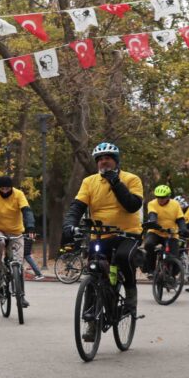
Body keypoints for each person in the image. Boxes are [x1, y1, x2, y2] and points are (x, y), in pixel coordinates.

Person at [62, 142, 144, 342]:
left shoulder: (131, 179)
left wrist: (116, 182)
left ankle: (131, 298)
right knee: (93, 271)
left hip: (128, 234)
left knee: (124, 258)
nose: (103, 162)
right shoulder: (89, 182)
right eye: (99, 159)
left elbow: (132, 205)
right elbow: (77, 207)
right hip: (100, 235)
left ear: (116, 160)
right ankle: (91, 322)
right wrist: (69, 224)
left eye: (107, 158)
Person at [0, 175, 34, 307]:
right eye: (2, 189)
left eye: (7, 188)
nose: (5, 191)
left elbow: (27, 211)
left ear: (11, 187)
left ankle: (21, 296)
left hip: (16, 231)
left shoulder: (19, 194)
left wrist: (30, 227)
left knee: (18, 263)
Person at [143, 185, 187, 276]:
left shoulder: (175, 204)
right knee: (148, 244)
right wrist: (153, 222)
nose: (160, 199)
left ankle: (172, 275)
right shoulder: (152, 203)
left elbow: (180, 219)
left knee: (174, 256)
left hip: (171, 233)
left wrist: (183, 228)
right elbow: (152, 214)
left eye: (162, 197)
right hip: (156, 232)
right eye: (158, 197)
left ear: (168, 196)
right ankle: (151, 270)